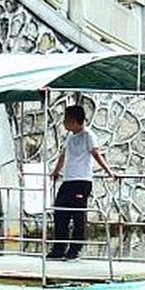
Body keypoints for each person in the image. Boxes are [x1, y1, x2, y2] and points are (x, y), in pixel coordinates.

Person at [49, 103, 111, 261]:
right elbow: (63, 155)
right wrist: (56, 171)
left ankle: (75, 249)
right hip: (68, 179)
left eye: (66, 119)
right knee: (60, 212)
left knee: (78, 215)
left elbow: (95, 153)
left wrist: (108, 171)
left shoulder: (88, 135)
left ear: (74, 120)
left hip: (82, 180)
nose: (64, 122)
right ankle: (59, 248)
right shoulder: (70, 136)